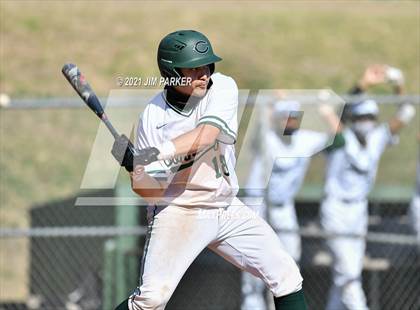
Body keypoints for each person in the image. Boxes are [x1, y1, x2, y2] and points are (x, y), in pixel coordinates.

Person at [111, 30, 307, 310]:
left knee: (286, 275)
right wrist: (135, 169)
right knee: (151, 299)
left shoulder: (222, 87)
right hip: (179, 209)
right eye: (193, 68)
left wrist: (154, 154)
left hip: (226, 206)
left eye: (206, 65)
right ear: (171, 71)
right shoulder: (152, 117)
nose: (203, 73)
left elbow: (206, 135)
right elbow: (149, 191)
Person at [320, 64, 416, 310]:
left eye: (371, 118)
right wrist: (363, 85)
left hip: (358, 211)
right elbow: (335, 112)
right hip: (336, 210)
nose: (367, 122)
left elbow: (406, 112)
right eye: (361, 117)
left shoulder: (377, 138)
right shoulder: (341, 137)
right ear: (353, 119)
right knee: (349, 273)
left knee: (345, 276)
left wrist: (398, 85)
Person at [241, 98, 342, 310]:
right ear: (276, 119)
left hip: (283, 206)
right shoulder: (267, 138)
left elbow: (340, 141)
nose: (290, 122)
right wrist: (269, 109)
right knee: (253, 264)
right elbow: (255, 134)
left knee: (291, 259)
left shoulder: (304, 140)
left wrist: (328, 114)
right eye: (286, 117)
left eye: (294, 118)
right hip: (258, 205)